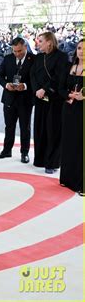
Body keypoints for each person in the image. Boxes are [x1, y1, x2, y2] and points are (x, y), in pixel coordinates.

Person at [30, 32, 70, 174]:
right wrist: (36, 90)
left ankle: (52, 163)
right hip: (40, 98)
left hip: (54, 99)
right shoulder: (39, 57)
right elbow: (32, 74)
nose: (38, 43)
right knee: (40, 129)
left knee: (53, 131)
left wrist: (44, 89)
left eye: (40, 41)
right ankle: (40, 159)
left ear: (49, 42)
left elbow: (59, 77)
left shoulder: (62, 57)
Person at [0, 38, 35, 163]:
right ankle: (6, 151)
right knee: (9, 126)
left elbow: (37, 79)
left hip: (25, 99)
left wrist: (26, 86)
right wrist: (6, 85)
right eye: (15, 51)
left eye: (20, 51)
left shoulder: (34, 59)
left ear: (25, 47)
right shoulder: (7, 58)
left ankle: (25, 153)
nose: (17, 54)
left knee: (25, 127)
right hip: (9, 98)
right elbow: (0, 76)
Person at [59, 39, 83, 196]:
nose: (82, 51)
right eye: (80, 48)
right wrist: (68, 94)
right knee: (69, 143)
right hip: (69, 109)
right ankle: (67, 179)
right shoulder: (69, 67)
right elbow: (60, 87)